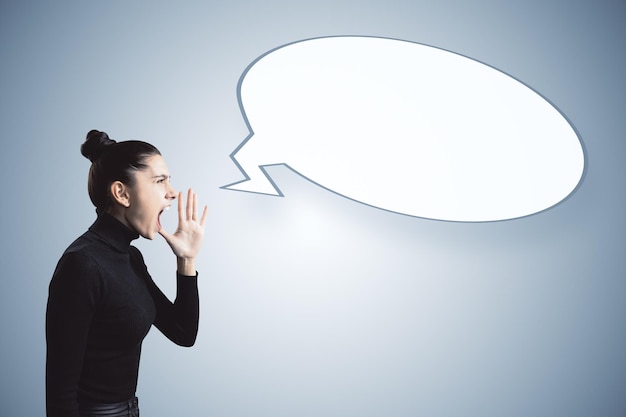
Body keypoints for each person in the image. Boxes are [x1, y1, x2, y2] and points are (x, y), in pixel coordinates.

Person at [46, 130, 208, 417]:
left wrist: (187, 260)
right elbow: (60, 394)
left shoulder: (131, 258)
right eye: (160, 181)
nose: (172, 192)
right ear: (121, 193)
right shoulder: (82, 264)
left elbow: (183, 332)